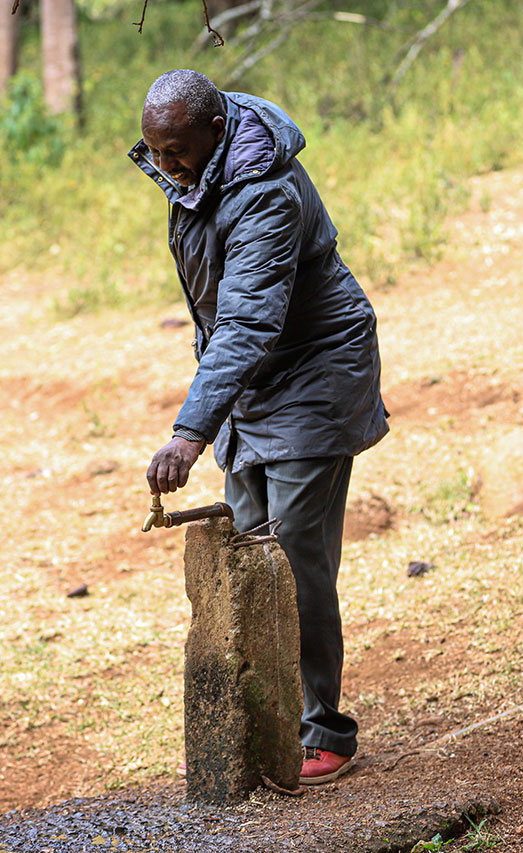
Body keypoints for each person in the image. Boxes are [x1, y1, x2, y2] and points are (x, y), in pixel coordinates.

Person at [130, 69, 389, 785]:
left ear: (215, 130)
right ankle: (252, 727)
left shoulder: (265, 191)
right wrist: (212, 410)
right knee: (248, 550)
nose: (165, 165)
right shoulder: (197, 170)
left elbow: (246, 320)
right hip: (250, 379)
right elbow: (217, 311)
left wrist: (189, 431)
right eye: (154, 152)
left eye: (175, 150)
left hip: (314, 370)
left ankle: (321, 730)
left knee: (293, 552)